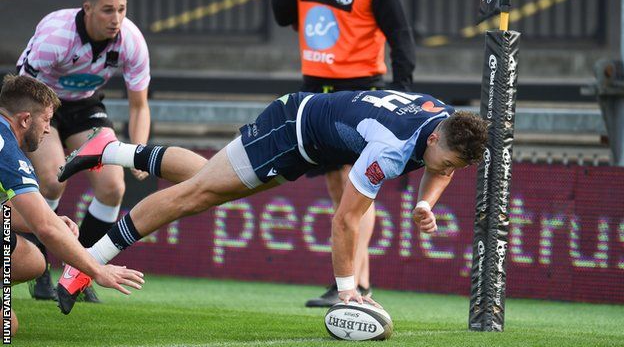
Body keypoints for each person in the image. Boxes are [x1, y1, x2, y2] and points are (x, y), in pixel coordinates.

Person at [55, 89, 488, 314]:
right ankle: (85, 263)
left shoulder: (448, 121)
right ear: (434, 137)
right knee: (195, 196)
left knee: (207, 179)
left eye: (456, 167)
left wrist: (426, 204)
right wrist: (347, 291)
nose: (448, 170)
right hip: (292, 130)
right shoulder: (391, 150)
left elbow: (441, 166)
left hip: (314, 139)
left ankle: (106, 149)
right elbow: (345, 222)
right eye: (447, 160)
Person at [271, 0, 417, 306]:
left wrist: (401, 91)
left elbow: (400, 34)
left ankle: (357, 283)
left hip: (360, 88)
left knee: (356, 182)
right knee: (337, 186)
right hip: (315, 88)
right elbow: (283, 16)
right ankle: (353, 280)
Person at [16, 0, 151, 302]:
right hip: (39, 103)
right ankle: (38, 271)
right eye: (107, 10)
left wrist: (139, 151)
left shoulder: (130, 41)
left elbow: (139, 106)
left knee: (113, 187)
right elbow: (23, 97)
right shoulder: (56, 37)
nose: (116, 18)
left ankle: (80, 270)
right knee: (52, 180)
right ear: (87, 9)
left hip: (85, 104)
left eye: (121, 9)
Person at [0, 74, 145, 335]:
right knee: (7, 326)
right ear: (24, 119)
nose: (48, 129)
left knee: (33, 260)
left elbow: (33, 219)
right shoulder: (8, 152)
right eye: (46, 120)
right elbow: (45, 229)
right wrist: (96, 270)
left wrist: (53, 220)